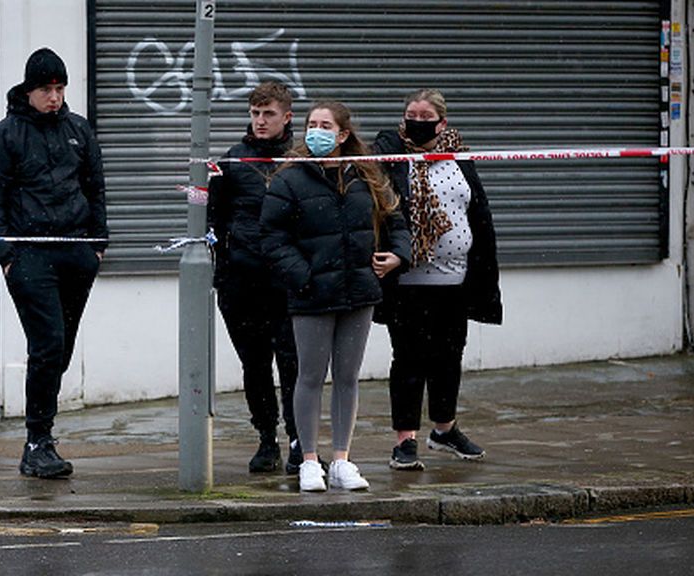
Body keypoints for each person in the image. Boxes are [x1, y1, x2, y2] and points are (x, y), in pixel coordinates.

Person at [260, 101, 411, 492]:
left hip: (358, 291)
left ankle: (342, 460)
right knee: (309, 376)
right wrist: (303, 276)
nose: (316, 131)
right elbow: (273, 238)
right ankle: (310, 460)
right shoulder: (290, 179)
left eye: (325, 125)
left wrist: (398, 254)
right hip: (312, 293)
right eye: (312, 124)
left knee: (347, 378)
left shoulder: (367, 175)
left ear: (343, 134)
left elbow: (395, 219)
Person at [0, 47, 108, 479]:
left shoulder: (79, 130)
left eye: (59, 88)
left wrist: (97, 246)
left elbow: (95, 189)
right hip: (29, 254)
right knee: (48, 343)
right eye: (46, 89)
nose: (54, 96)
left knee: (61, 349)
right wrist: (6, 257)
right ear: (29, 90)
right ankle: (38, 440)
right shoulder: (6, 135)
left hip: (76, 252)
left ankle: (42, 437)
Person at [372, 89, 503, 471]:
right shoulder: (393, 154)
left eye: (425, 115)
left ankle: (444, 429)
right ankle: (405, 438)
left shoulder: (458, 156)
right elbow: (381, 165)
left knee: (449, 357)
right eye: (410, 113)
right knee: (409, 359)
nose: (416, 119)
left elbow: (476, 209)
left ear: (441, 122)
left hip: (456, 281)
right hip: (409, 280)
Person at [207, 81, 302, 474]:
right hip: (242, 282)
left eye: (268, 114)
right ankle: (267, 438)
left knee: (294, 365)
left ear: (286, 116)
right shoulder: (232, 161)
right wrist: (223, 269)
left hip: (288, 282)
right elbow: (213, 218)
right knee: (255, 364)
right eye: (255, 113)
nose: (260, 122)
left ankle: (301, 442)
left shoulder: (301, 160)